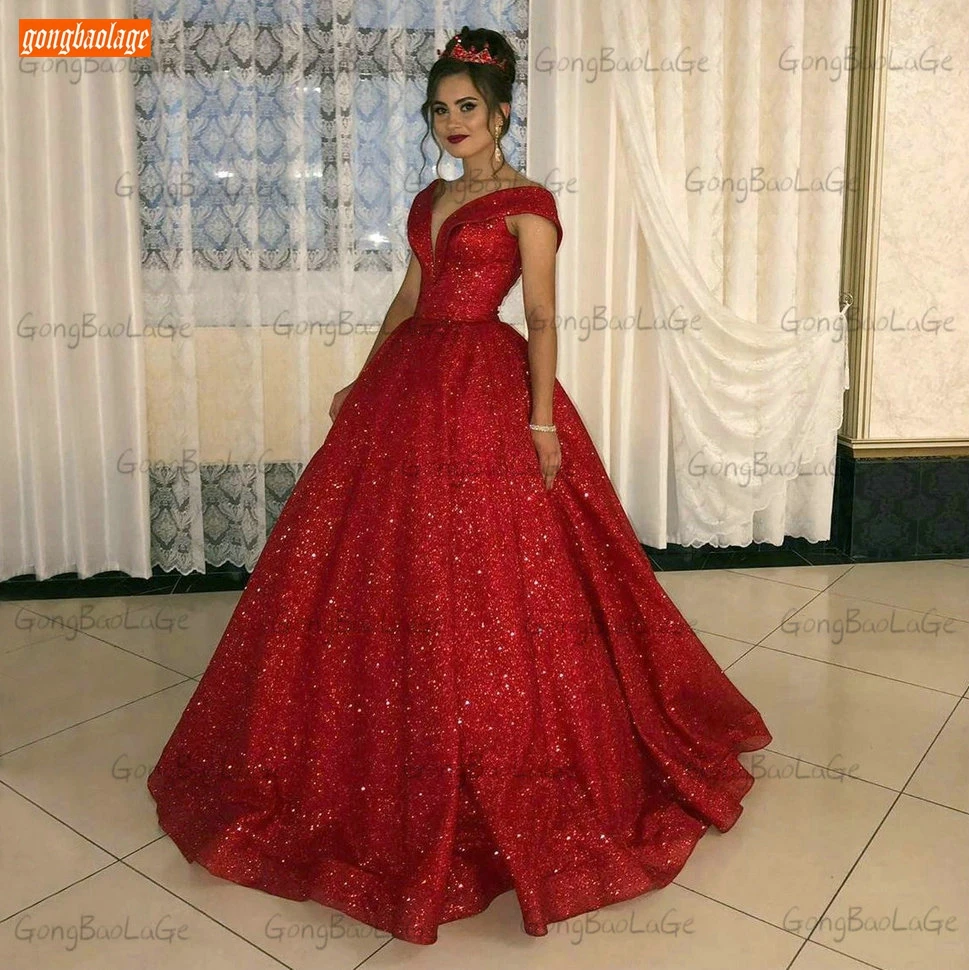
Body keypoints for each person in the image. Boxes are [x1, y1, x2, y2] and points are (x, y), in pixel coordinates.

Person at [147, 25, 772, 947]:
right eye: (439, 109)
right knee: (375, 556)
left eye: (467, 107)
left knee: (496, 563)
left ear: (501, 112)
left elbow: (544, 315)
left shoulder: (529, 204)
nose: (451, 122)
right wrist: (365, 378)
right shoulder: (429, 199)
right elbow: (409, 298)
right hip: (409, 382)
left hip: (486, 383)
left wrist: (542, 423)